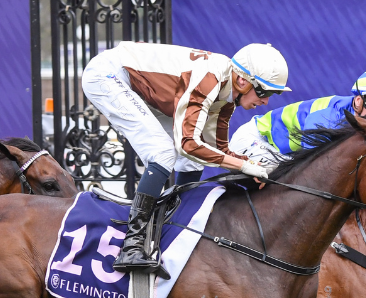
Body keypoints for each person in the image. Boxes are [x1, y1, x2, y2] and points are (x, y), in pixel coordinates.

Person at [81, 42, 290, 276]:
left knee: (193, 161)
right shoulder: (209, 79)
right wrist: (243, 165)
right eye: (264, 92)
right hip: (109, 75)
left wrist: (251, 168)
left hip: (140, 87)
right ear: (242, 81)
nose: (266, 102)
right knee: (163, 152)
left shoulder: (226, 98)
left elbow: (218, 149)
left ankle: (173, 229)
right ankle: (132, 245)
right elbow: (188, 144)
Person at [230, 67, 366, 166]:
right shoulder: (331, 116)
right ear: (358, 100)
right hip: (256, 140)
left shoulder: (357, 118)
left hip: (278, 151)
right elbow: (311, 163)